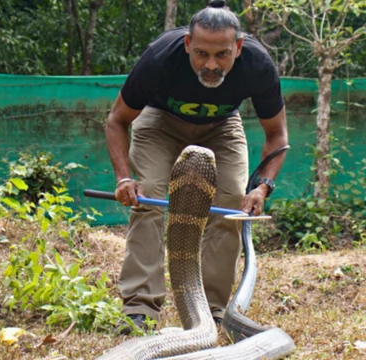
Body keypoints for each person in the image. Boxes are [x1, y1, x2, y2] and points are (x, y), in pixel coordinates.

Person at [104, 0, 288, 334]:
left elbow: (277, 135)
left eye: (222, 55)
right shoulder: (160, 58)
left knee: (232, 205)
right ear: (188, 44)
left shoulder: (257, 65)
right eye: (201, 53)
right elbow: (117, 120)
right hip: (160, 121)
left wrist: (262, 187)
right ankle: (139, 312)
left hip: (222, 125)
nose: (211, 65)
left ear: (239, 48)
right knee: (149, 199)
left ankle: (213, 314)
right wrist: (124, 178)